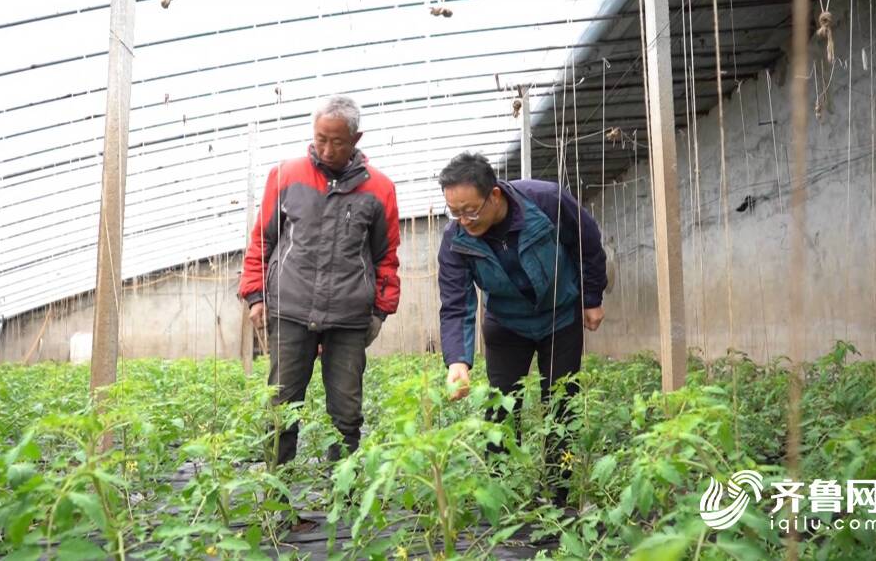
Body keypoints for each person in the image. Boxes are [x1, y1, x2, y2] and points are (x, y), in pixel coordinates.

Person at [436, 151, 607, 505]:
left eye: (470, 210)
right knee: (500, 405)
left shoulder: (545, 201)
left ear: (494, 195)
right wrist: (457, 361)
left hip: (560, 315)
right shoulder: (455, 239)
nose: (463, 220)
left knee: (561, 403)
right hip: (506, 323)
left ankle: (558, 492)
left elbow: (588, 244)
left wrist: (591, 297)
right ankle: (501, 490)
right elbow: (456, 302)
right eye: (455, 212)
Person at [238, 95, 401, 464]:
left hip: (348, 317)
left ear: (356, 139)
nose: (326, 149)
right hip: (291, 308)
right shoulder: (285, 176)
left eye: (337, 141)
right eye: (320, 138)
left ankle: (341, 499)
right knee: (282, 407)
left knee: (346, 411)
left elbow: (386, 257)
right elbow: (263, 239)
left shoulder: (379, 189)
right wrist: (255, 294)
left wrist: (380, 311)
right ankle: (276, 502)